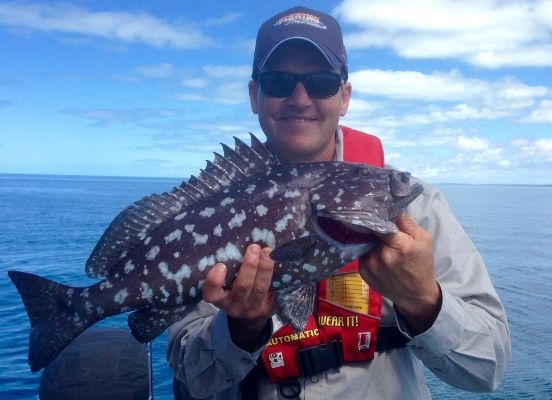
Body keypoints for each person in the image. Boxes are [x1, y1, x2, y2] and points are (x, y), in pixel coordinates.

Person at [167, 6, 511, 399]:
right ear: (254, 95)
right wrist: (240, 330)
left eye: (321, 82)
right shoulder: (212, 210)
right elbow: (192, 377)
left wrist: (422, 300)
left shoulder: (415, 210)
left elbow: (488, 368)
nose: (300, 98)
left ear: (343, 96)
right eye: (279, 82)